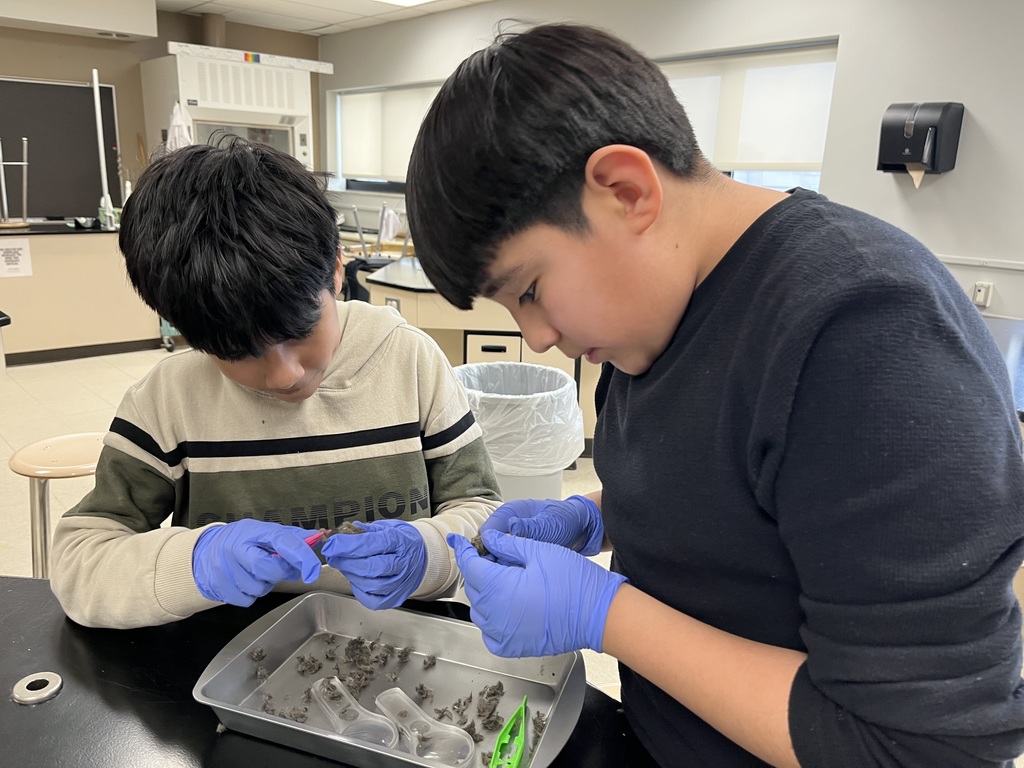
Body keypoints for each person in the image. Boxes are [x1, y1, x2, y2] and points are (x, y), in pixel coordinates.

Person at [405, 22, 1024, 768]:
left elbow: (918, 747)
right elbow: (749, 502)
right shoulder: (654, 316)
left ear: (626, 191)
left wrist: (603, 615)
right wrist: (593, 519)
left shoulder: (864, 330)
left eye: (530, 290)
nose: (536, 336)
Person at [50, 138, 501, 630]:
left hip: (410, 641)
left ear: (334, 272)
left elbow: (482, 512)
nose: (286, 375)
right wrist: (196, 561)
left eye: (300, 331)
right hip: (233, 658)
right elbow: (81, 563)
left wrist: (429, 554)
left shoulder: (409, 360)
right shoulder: (168, 400)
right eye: (239, 352)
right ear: (185, 331)